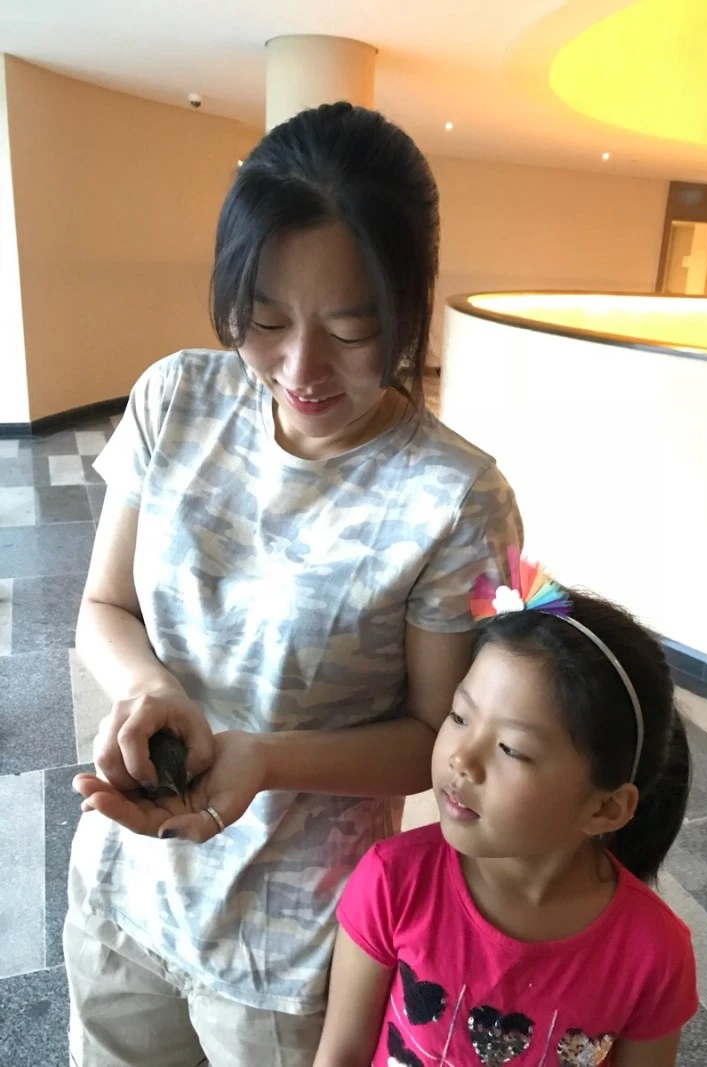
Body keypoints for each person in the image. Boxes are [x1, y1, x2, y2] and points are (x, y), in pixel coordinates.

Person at [65, 102, 522, 1067]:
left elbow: (431, 740)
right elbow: (104, 608)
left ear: (408, 309)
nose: (301, 367)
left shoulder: (454, 498)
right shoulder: (175, 398)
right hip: (125, 880)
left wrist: (265, 758)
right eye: (265, 321)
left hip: (291, 946)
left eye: (354, 331)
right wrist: (149, 686)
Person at [314, 564, 698, 1067]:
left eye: (512, 749)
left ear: (605, 807)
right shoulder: (394, 882)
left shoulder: (653, 952)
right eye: (459, 716)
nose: (461, 758)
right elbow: (342, 1051)